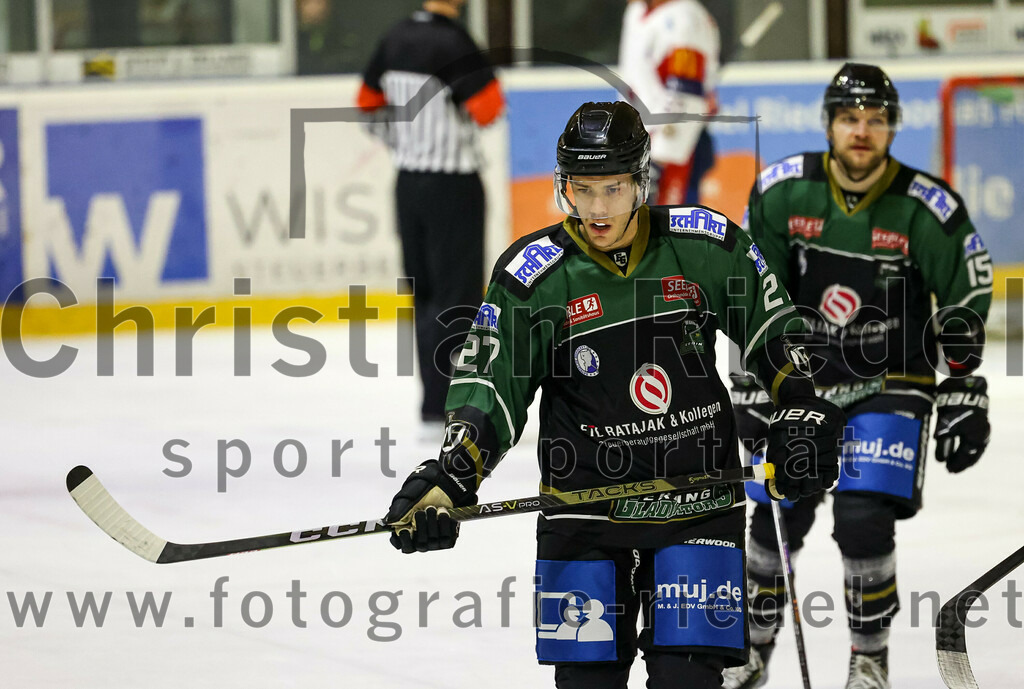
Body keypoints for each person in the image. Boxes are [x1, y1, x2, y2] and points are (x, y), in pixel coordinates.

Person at [383, 101, 845, 689]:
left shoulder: (707, 245)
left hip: (694, 507)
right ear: (564, 187)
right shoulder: (532, 278)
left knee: (687, 684)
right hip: (584, 514)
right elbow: (489, 388)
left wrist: (800, 404)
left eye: (613, 188)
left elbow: (773, 329)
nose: (597, 209)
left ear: (641, 181)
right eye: (582, 189)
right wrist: (453, 475)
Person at [723, 63, 993, 689]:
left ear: (893, 127)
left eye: (876, 120)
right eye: (850, 119)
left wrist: (964, 390)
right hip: (804, 378)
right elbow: (750, 295)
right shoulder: (781, 192)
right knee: (773, 513)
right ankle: (753, 645)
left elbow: (966, 298)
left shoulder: (928, 209)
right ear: (830, 125)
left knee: (864, 518)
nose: (862, 132)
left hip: (890, 380)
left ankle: (869, 659)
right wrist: (753, 386)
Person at [356, 0, 504, 431]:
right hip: (453, 183)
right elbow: (489, 107)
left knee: (424, 295)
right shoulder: (454, 42)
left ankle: (431, 402)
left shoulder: (394, 37)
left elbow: (366, 104)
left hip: (408, 184)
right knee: (458, 295)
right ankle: (457, 400)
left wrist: (404, 140)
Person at [618, 0, 719, 206]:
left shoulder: (686, 19)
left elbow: (686, 95)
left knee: (672, 227)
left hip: (673, 146)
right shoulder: (636, 11)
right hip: (639, 143)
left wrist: (657, 161)